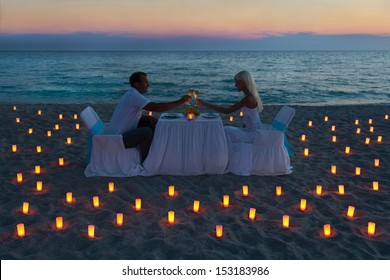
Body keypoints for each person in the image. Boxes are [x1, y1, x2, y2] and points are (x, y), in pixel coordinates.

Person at [106, 71, 191, 161]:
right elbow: (156, 107)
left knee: (150, 123)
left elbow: (130, 113)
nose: (148, 84)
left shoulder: (130, 94)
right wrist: (180, 102)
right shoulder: (134, 96)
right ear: (136, 84)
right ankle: (147, 161)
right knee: (147, 132)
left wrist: (146, 118)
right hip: (117, 139)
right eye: (145, 82)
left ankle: (158, 152)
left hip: (119, 133)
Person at [195, 70, 263, 145]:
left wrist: (204, 104)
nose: (235, 85)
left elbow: (227, 111)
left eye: (237, 82)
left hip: (253, 134)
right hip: (250, 130)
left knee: (225, 130)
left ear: (244, 82)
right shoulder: (249, 96)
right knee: (226, 130)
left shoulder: (248, 98)